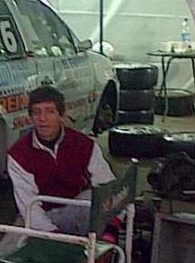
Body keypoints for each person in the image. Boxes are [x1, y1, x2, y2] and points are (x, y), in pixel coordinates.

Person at [7, 85, 117, 235]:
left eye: (50, 111)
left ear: (62, 115)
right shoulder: (18, 155)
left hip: (76, 208)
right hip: (40, 215)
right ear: (30, 117)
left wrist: (112, 229)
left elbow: (108, 186)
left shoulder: (84, 144)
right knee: (4, 253)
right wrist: (54, 236)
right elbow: (29, 207)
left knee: (93, 199)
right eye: (36, 112)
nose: (42, 118)